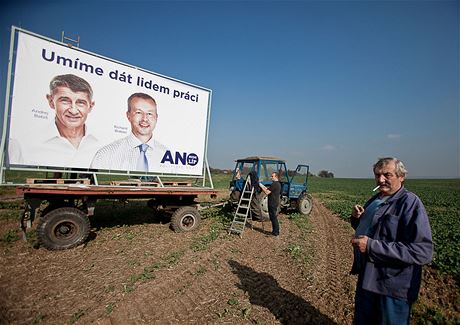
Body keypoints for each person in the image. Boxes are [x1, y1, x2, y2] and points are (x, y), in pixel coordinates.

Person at [350, 157, 433, 325]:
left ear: (401, 176)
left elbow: (422, 251)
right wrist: (356, 219)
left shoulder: (410, 203)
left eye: (387, 175)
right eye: (377, 175)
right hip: (368, 279)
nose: (380, 179)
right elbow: (370, 229)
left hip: (391, 288)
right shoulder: (376, 199)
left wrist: (372, 246)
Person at [12, 74, 98, 167]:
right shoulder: (23, 144)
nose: (73, 110)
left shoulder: (102, 145)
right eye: (65, 101)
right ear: (51, 101)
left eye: (80, 102)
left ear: (90, 106)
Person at [90, 92, 167, 172]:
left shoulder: (168, 156)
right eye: (138, 112)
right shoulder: (105, 154)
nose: (145, 119)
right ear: (128, 115)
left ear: (156, 117)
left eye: (149, 114)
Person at [259, 172, 281, 236]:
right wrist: (262, 185)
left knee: (273, 217)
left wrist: (260, 185)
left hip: (273, 203)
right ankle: (275, 231)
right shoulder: (277, 184)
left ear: (276, 177)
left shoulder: (275, 184)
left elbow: (266, 192)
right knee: (273, 217)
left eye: (272, 176)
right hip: (274, 202)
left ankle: (276, 232)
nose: (271, 177)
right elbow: (267, 189)